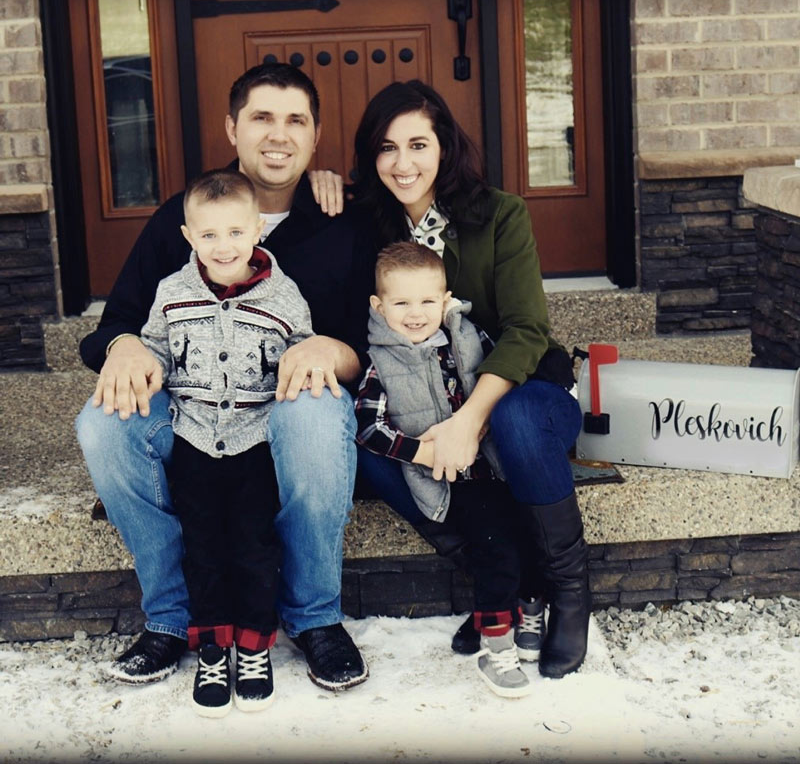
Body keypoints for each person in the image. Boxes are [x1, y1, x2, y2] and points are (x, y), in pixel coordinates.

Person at [75, 62, 373, 691]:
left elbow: (371, 348)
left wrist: (328, 350)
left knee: (316, 413)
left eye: (296, 121)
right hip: (193, 412)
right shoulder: (183, 219)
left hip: (287, 412)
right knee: (103, 424)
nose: (278, 135)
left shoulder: (341, 218)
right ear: (232, 127)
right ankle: (170, 618)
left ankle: (314, 616)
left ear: (316, 137)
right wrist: (126, 345)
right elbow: (120, 322)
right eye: (262, 117)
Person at [351, 80, 588, 679]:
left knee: (514, 420)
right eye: (385, 148)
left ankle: (565, 594)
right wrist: (315, 183)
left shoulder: (498, 214)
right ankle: (494, 584)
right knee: (354, 433)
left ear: (445, 147)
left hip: (525, 391)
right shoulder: (365, 227)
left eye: (417, 144)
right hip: (425, 402)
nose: (402, 164)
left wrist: (467, 420)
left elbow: (527, 331)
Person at [138, 169, 314, 717]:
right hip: (193, 440)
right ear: (190, 236)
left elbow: (302, 348)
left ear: (258, 230)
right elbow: (155, 349)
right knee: (204, 547)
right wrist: (145, 369)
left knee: (254, 547)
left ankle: (255, 645)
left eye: (236, 233)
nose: (223, 246)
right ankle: (214, 648)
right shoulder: (172, 292)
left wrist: (300, 363)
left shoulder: (283, 295)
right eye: (209, 235)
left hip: (254, 443)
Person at [356, 242, 545, 696]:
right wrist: (423, 453)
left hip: (495, 464)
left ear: (445, 301)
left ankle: (528, 608)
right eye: (401, 303)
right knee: (494, 550)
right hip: (451, 481)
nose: (416, 314)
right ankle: (496, 648)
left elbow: (500, 384)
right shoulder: (381, 363)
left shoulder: (469, 337)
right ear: (379, 308)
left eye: (427, 301)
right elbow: (368, 428)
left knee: (530, 532)